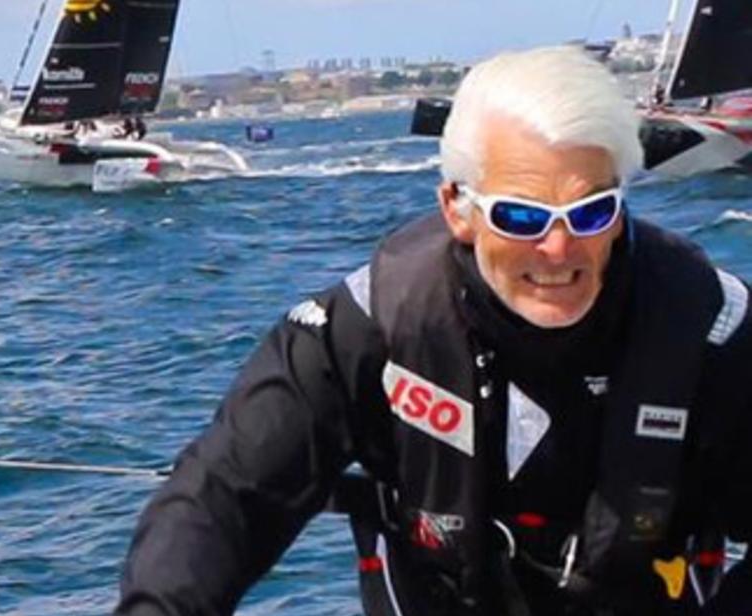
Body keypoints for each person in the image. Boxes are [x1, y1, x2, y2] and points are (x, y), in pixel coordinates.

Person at [117, 46, 752, 616]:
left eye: (590, 213)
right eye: (521, 217)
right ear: (457, 209)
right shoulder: (373, 321)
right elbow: (222, 494)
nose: (558, 249)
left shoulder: (709, 324)